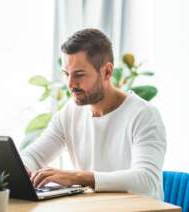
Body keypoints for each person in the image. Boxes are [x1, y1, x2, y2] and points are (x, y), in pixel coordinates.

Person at [21, 28, 166, 200]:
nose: (70, 84)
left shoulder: (144, 115)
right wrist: (19, 169)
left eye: (79, 75)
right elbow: (32, 156)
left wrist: (77, 178)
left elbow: (146, 181)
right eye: (66, 74)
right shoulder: (70, 113)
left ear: (107, 72)